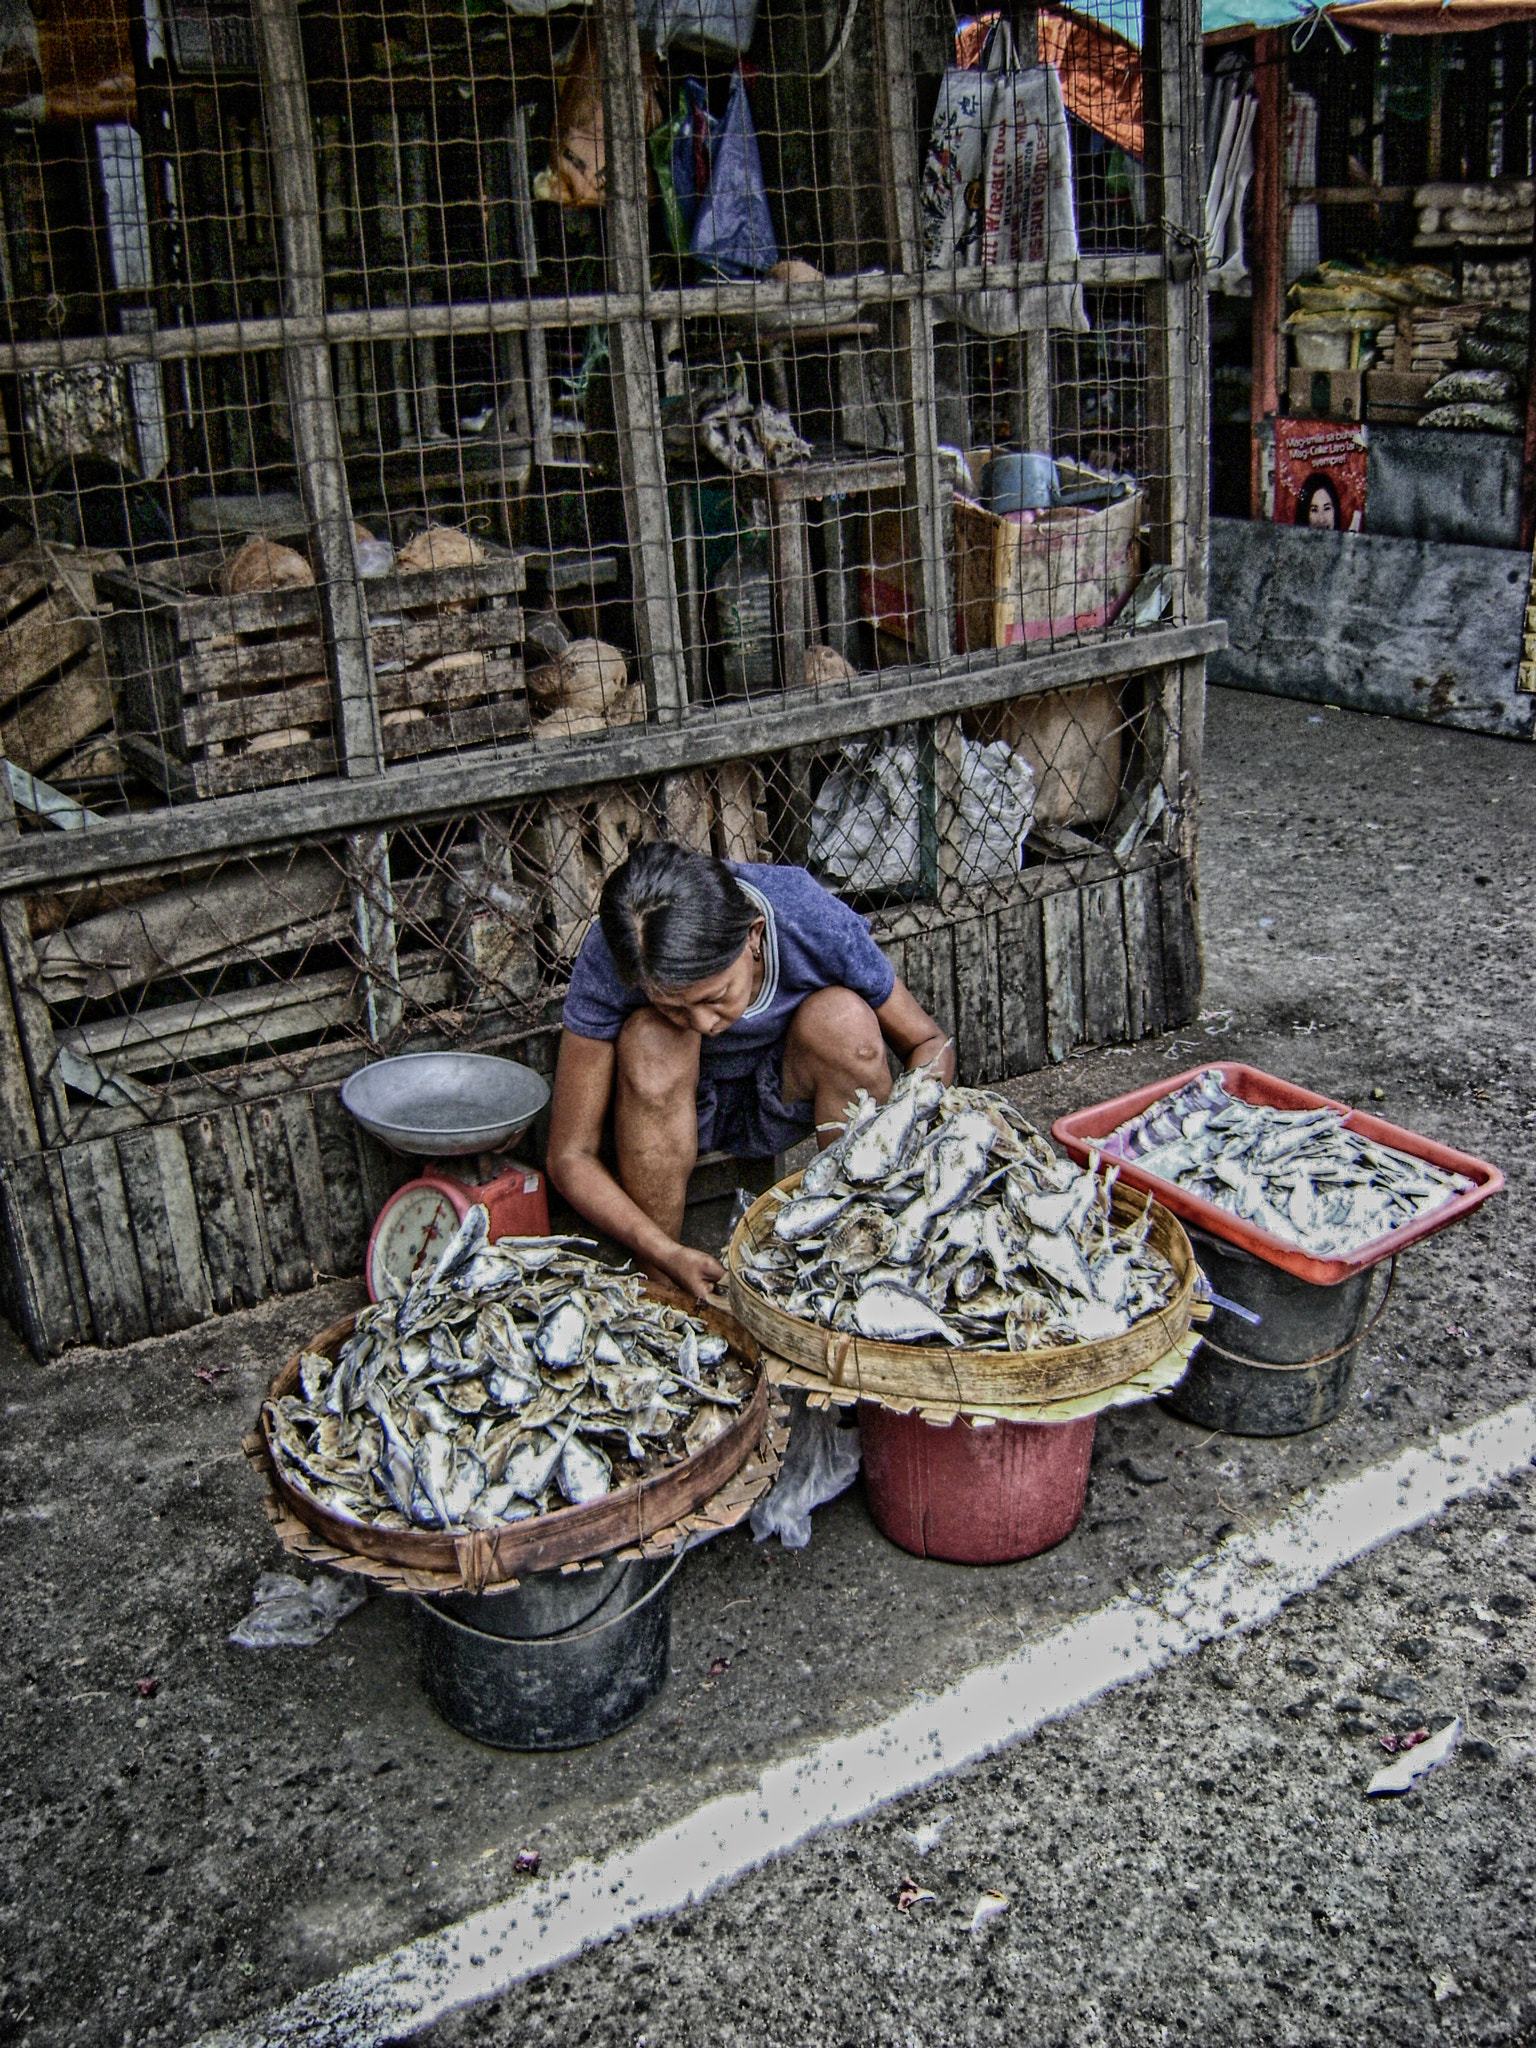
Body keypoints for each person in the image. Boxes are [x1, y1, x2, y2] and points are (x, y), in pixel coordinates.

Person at [546, 841, 953, 1300]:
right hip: (666, 1116)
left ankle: (854, 1255)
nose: (705, 1024)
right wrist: (663, 1251)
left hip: (781, 1098)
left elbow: (927, 1043)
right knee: (651, 1039)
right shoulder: (616, 949)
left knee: (845, 1020)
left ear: (754, 935)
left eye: (716, 997)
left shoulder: (804, 914)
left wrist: (912, 1165)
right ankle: (661, 1292)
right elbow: (570, 1157)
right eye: (674, 1007)